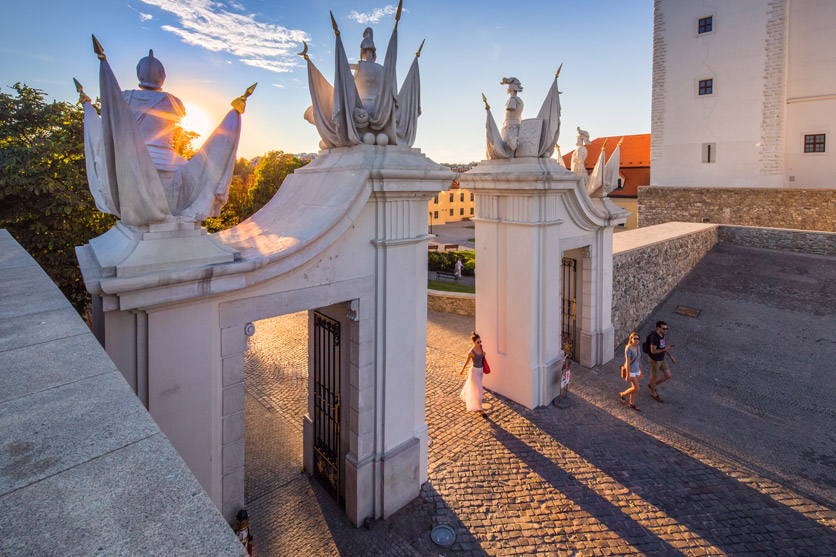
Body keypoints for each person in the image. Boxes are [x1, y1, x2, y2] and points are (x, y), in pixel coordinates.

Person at [459, 332, 488, 418]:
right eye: (478, 342)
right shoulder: (471, 352)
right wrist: (462, 370)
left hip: (481, 371)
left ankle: (476, 401)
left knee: (476, 389)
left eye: (480, 341)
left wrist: (484, 354)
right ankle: (480, 409)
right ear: (473, 342)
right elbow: (467, 362)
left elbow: (482, 357)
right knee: (480, 389)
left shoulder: (481, 348)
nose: (479, 343)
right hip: (474, 372)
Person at [648, 320, 676, 402]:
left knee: (668, 375)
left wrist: (671, 357)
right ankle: (653, 393)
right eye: (664, 329)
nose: (666, 330)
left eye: (667, 328)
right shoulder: (654, 337)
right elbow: (653, 351)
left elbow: (663, 346)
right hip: (655, 360)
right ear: (658, 328)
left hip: (662, 358)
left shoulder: (662, 335)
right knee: (654, 377)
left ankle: (652, 385)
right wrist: (665, 349)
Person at [620, 333, 643, 411]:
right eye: (634, 338)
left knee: (634, 388)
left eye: (638, 339)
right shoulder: (628, 348)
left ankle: (631, 403)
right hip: (631, 370)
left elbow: (638, 358)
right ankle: (623, 394)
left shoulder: (638, 347)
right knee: (637, 388)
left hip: (636, 369)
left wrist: (641, 369)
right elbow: (628, 362)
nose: (636, 340)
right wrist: (627, 375)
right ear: (631, 339)